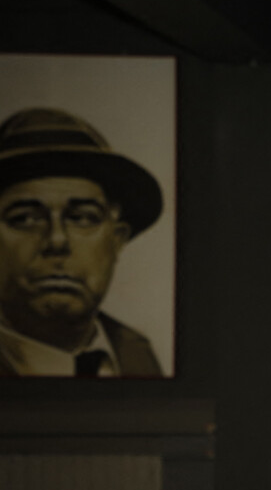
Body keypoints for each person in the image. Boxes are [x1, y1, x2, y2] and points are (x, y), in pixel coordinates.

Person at [0, 107, 164, 377]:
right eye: (25, 219)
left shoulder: (139, 357)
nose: (56, 240)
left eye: (83, 218)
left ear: (117, 240)